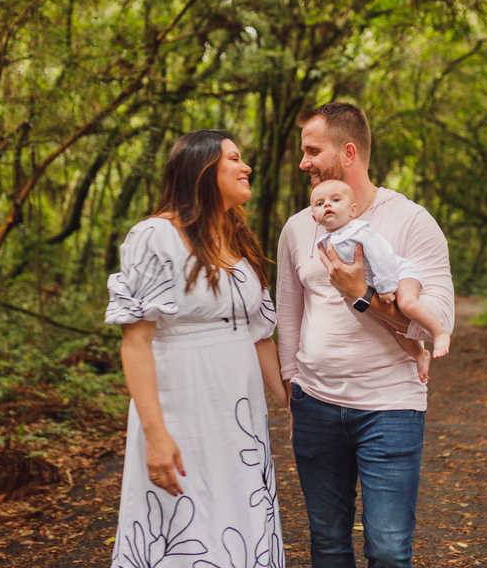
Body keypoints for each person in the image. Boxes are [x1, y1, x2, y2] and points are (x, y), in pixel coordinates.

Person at [277, 102, 454, 568]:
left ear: (348, 152)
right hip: (314, 405)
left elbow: (439, 319)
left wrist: (363, 295)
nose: (303, 163)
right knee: (328, 544)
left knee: (389, 550)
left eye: (312, 151)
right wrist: (293, 390)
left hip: (390, 407)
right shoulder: (298, 228)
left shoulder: (412, 221)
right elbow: (289, 317)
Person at [106, 129, 288, 568]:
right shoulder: (155, 236)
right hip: (182, 411)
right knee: (186, 530)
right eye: (234, 158)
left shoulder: (241, 242)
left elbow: (260, 334)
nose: (246, 167)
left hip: (241, 420)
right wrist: (155, 436)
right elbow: (136, 342)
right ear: (202, 169)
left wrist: (291, 403)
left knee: (240, 523)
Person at [308, 178, 451, 382]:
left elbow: (381, 256)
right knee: (393, 326)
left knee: (407, 303)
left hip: (399, 274)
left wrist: (385, 287)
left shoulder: (359, 232)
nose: (327, 205)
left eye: (336, 199)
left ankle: (439, 333)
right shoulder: (326, 242)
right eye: (320, 203)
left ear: (352, 210)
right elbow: (343, 274)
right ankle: (420, 355)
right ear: (315, 218)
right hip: (376, 284)